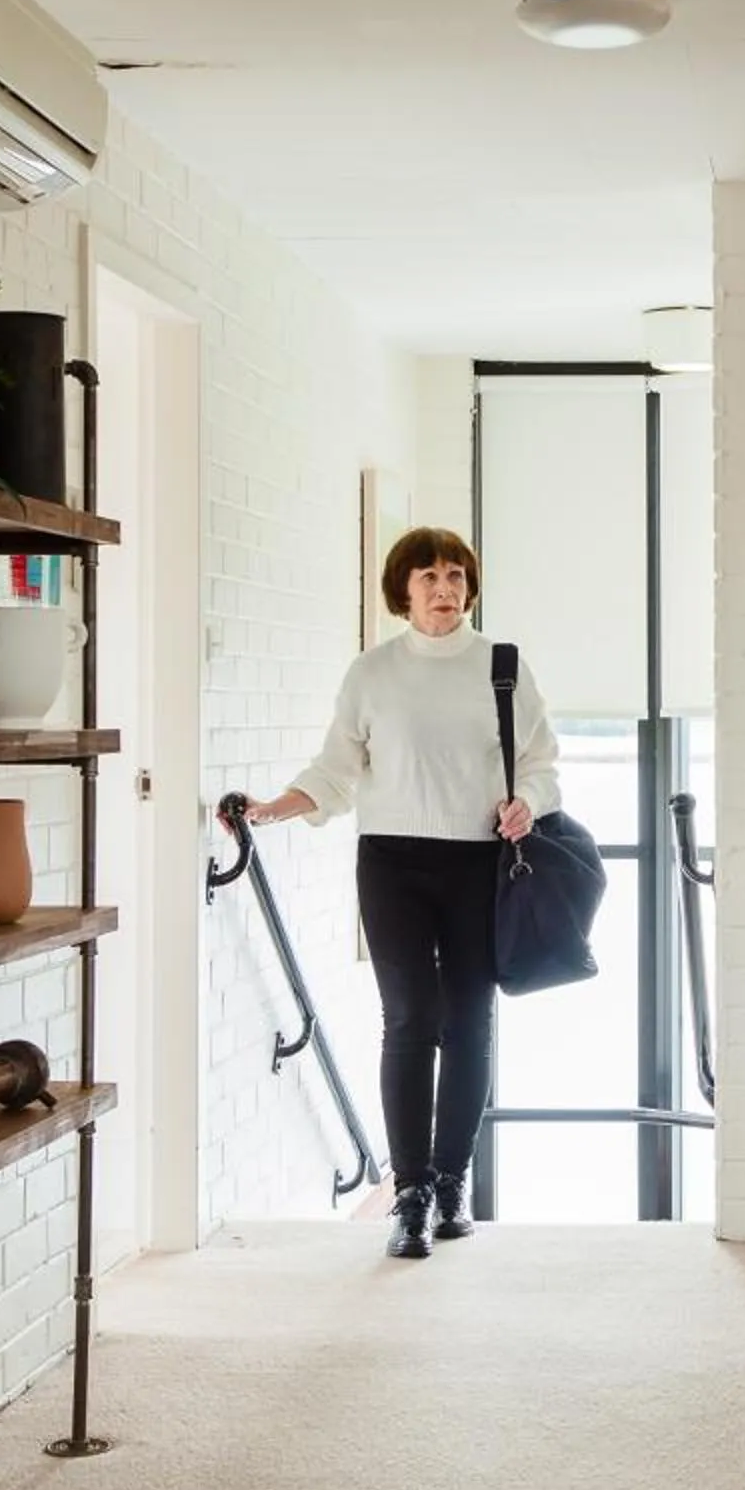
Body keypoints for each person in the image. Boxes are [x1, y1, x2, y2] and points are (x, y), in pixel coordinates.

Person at [233, 527, 557, 1259]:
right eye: (429, 577)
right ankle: (409, 1193)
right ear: (401, 589)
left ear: (469, 587)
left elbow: (540, 761)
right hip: (392, 865)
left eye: (455, 575)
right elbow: (336, 770)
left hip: (479, 861)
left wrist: (526, 801)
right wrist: (269, 808)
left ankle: (452, 1183)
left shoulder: (501, 667)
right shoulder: (372, 673)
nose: (445, 589)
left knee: (470, 1021)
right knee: (409, 1019)